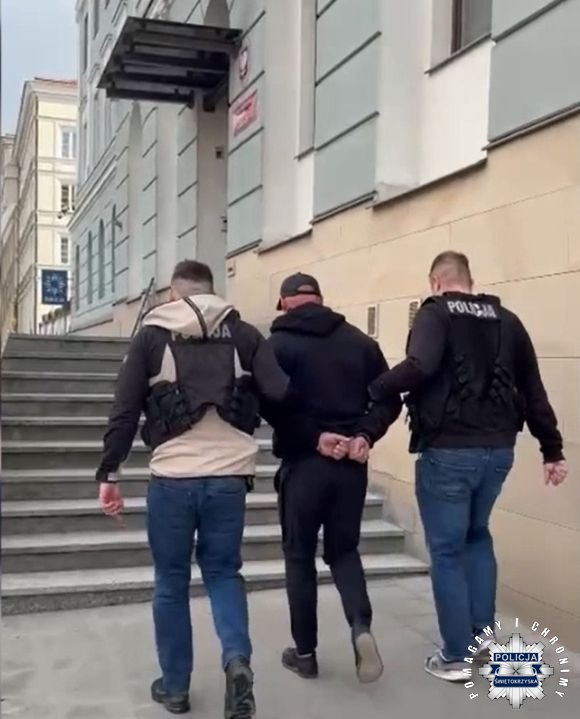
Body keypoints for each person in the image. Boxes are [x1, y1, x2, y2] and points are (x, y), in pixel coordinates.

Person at [96, 260, 292, 718]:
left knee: (171, 581)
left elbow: (124, 410)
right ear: (212, 291)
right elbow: (281, 393)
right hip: (229, 480)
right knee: (223, 574)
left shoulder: (151, 336)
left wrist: (109, 473)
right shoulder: (244, 334)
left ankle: (175, 687)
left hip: (172, 480)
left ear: (173, 294)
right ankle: (237, 660)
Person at [369, 251, 567, 682]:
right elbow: (533, 389)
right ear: (470, 280)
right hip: (498, 451)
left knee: (445, 550)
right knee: (477, 536)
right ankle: (483, 642)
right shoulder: (508, 321)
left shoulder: (435, 313)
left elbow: (420, 365)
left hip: (448, 451)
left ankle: (456, 656)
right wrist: (552, 450)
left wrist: (376, 387)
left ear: (436, 281)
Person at [263, 272, 402, 683]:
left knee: (299, 558)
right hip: (350, 469)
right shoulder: (360, 342)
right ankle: (360, 626)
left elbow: (270, 406)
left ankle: (305, 654)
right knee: (343, 552)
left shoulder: (277, 346)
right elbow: (390, 399)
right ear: (321, 299)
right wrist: (364, 434)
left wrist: (315, 437)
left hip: (304, 466)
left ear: (284, 303)